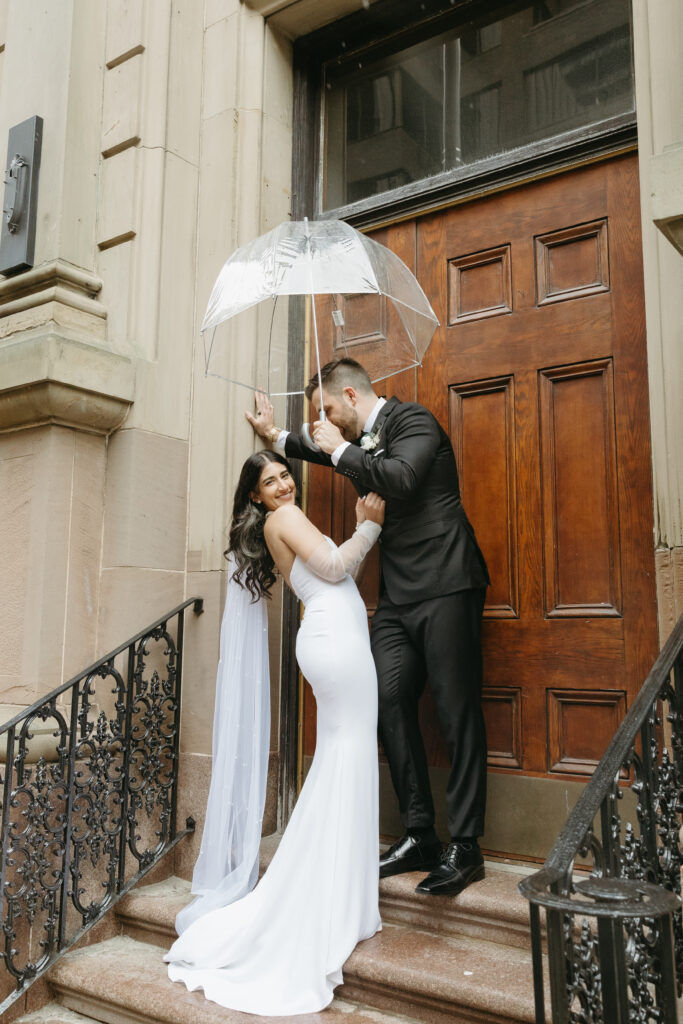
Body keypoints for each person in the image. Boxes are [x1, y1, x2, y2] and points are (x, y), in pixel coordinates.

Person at [247, 359, 490, 897]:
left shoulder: (416, 423)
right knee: (386, 697)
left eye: (326, 410)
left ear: (351, 397)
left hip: (449, 582)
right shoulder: (352, 438)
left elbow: (400, 476)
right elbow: (321, 449)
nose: (323, 422)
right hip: (398, 597)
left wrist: (336, 448)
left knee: (456, 708)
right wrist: (277, 436)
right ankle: (420, 833)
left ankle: (466, 845)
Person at [165, 450, 386, 1015]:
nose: (285, 484)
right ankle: (336, 895)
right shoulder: (283, 519)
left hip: (332, 637)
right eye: (272, 481)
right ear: (256, 495)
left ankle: (344, 892)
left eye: (286, 474)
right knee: (348, 753)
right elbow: (338, 568)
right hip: (335, 644)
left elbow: (335, 572)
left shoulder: (277, 521)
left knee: (345, 755)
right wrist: (370, 525)